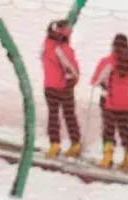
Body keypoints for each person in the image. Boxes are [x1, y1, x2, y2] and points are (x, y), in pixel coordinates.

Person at [91, 34, 128, 171]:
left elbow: (96, 80)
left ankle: (107, 158)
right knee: (125, 130)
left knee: (108, 130)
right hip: (126, 102)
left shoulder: (108, 61)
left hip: (109, 102)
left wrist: (101, 84)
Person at [41, 19, 81, 159]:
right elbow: (73, 69)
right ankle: (75, 143)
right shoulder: (62, 48)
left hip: (49, 85)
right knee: (69, 115)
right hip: (63, 87)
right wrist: (74, 80)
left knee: (53, 115)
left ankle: (55, 144)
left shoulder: (46, 44)